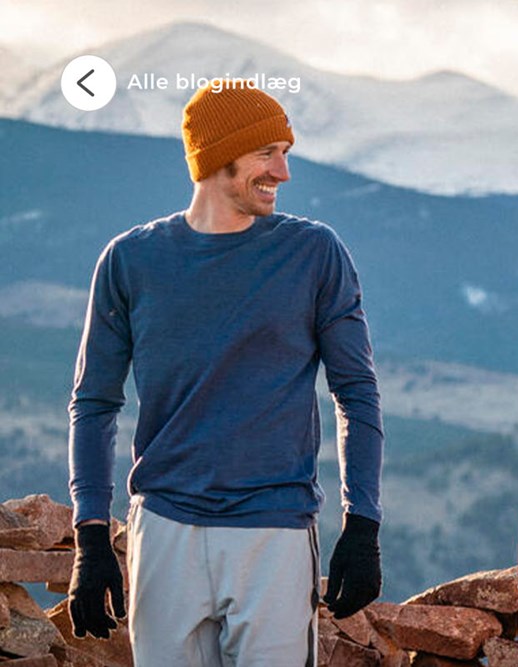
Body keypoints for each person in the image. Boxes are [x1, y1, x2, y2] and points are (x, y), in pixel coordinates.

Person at [66, 83, 385, 663]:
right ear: (218, 157)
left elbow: (356, 394)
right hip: (164, 530)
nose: (284, 171)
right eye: (268, 152)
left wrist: (362, 524)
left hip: (275, 534)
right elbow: (93, 403)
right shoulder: (130, 261)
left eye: (285, 151)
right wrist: (91, 534)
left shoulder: (314, 253)